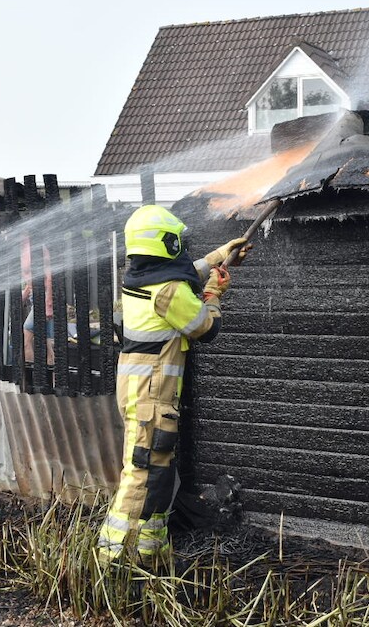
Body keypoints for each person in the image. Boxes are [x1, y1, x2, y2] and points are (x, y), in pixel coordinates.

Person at [97, 204, 248, 568]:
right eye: (175, 240)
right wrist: (214, 292)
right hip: (152, 394)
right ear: (164, 243)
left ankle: (147, 549)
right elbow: (206, 328)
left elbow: (183, 274)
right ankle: (116, 557)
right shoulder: (168, 291)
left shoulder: (141, 276)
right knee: (145, 472)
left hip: (140, 389)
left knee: (155, 471)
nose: (180, 245)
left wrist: (220, 255)